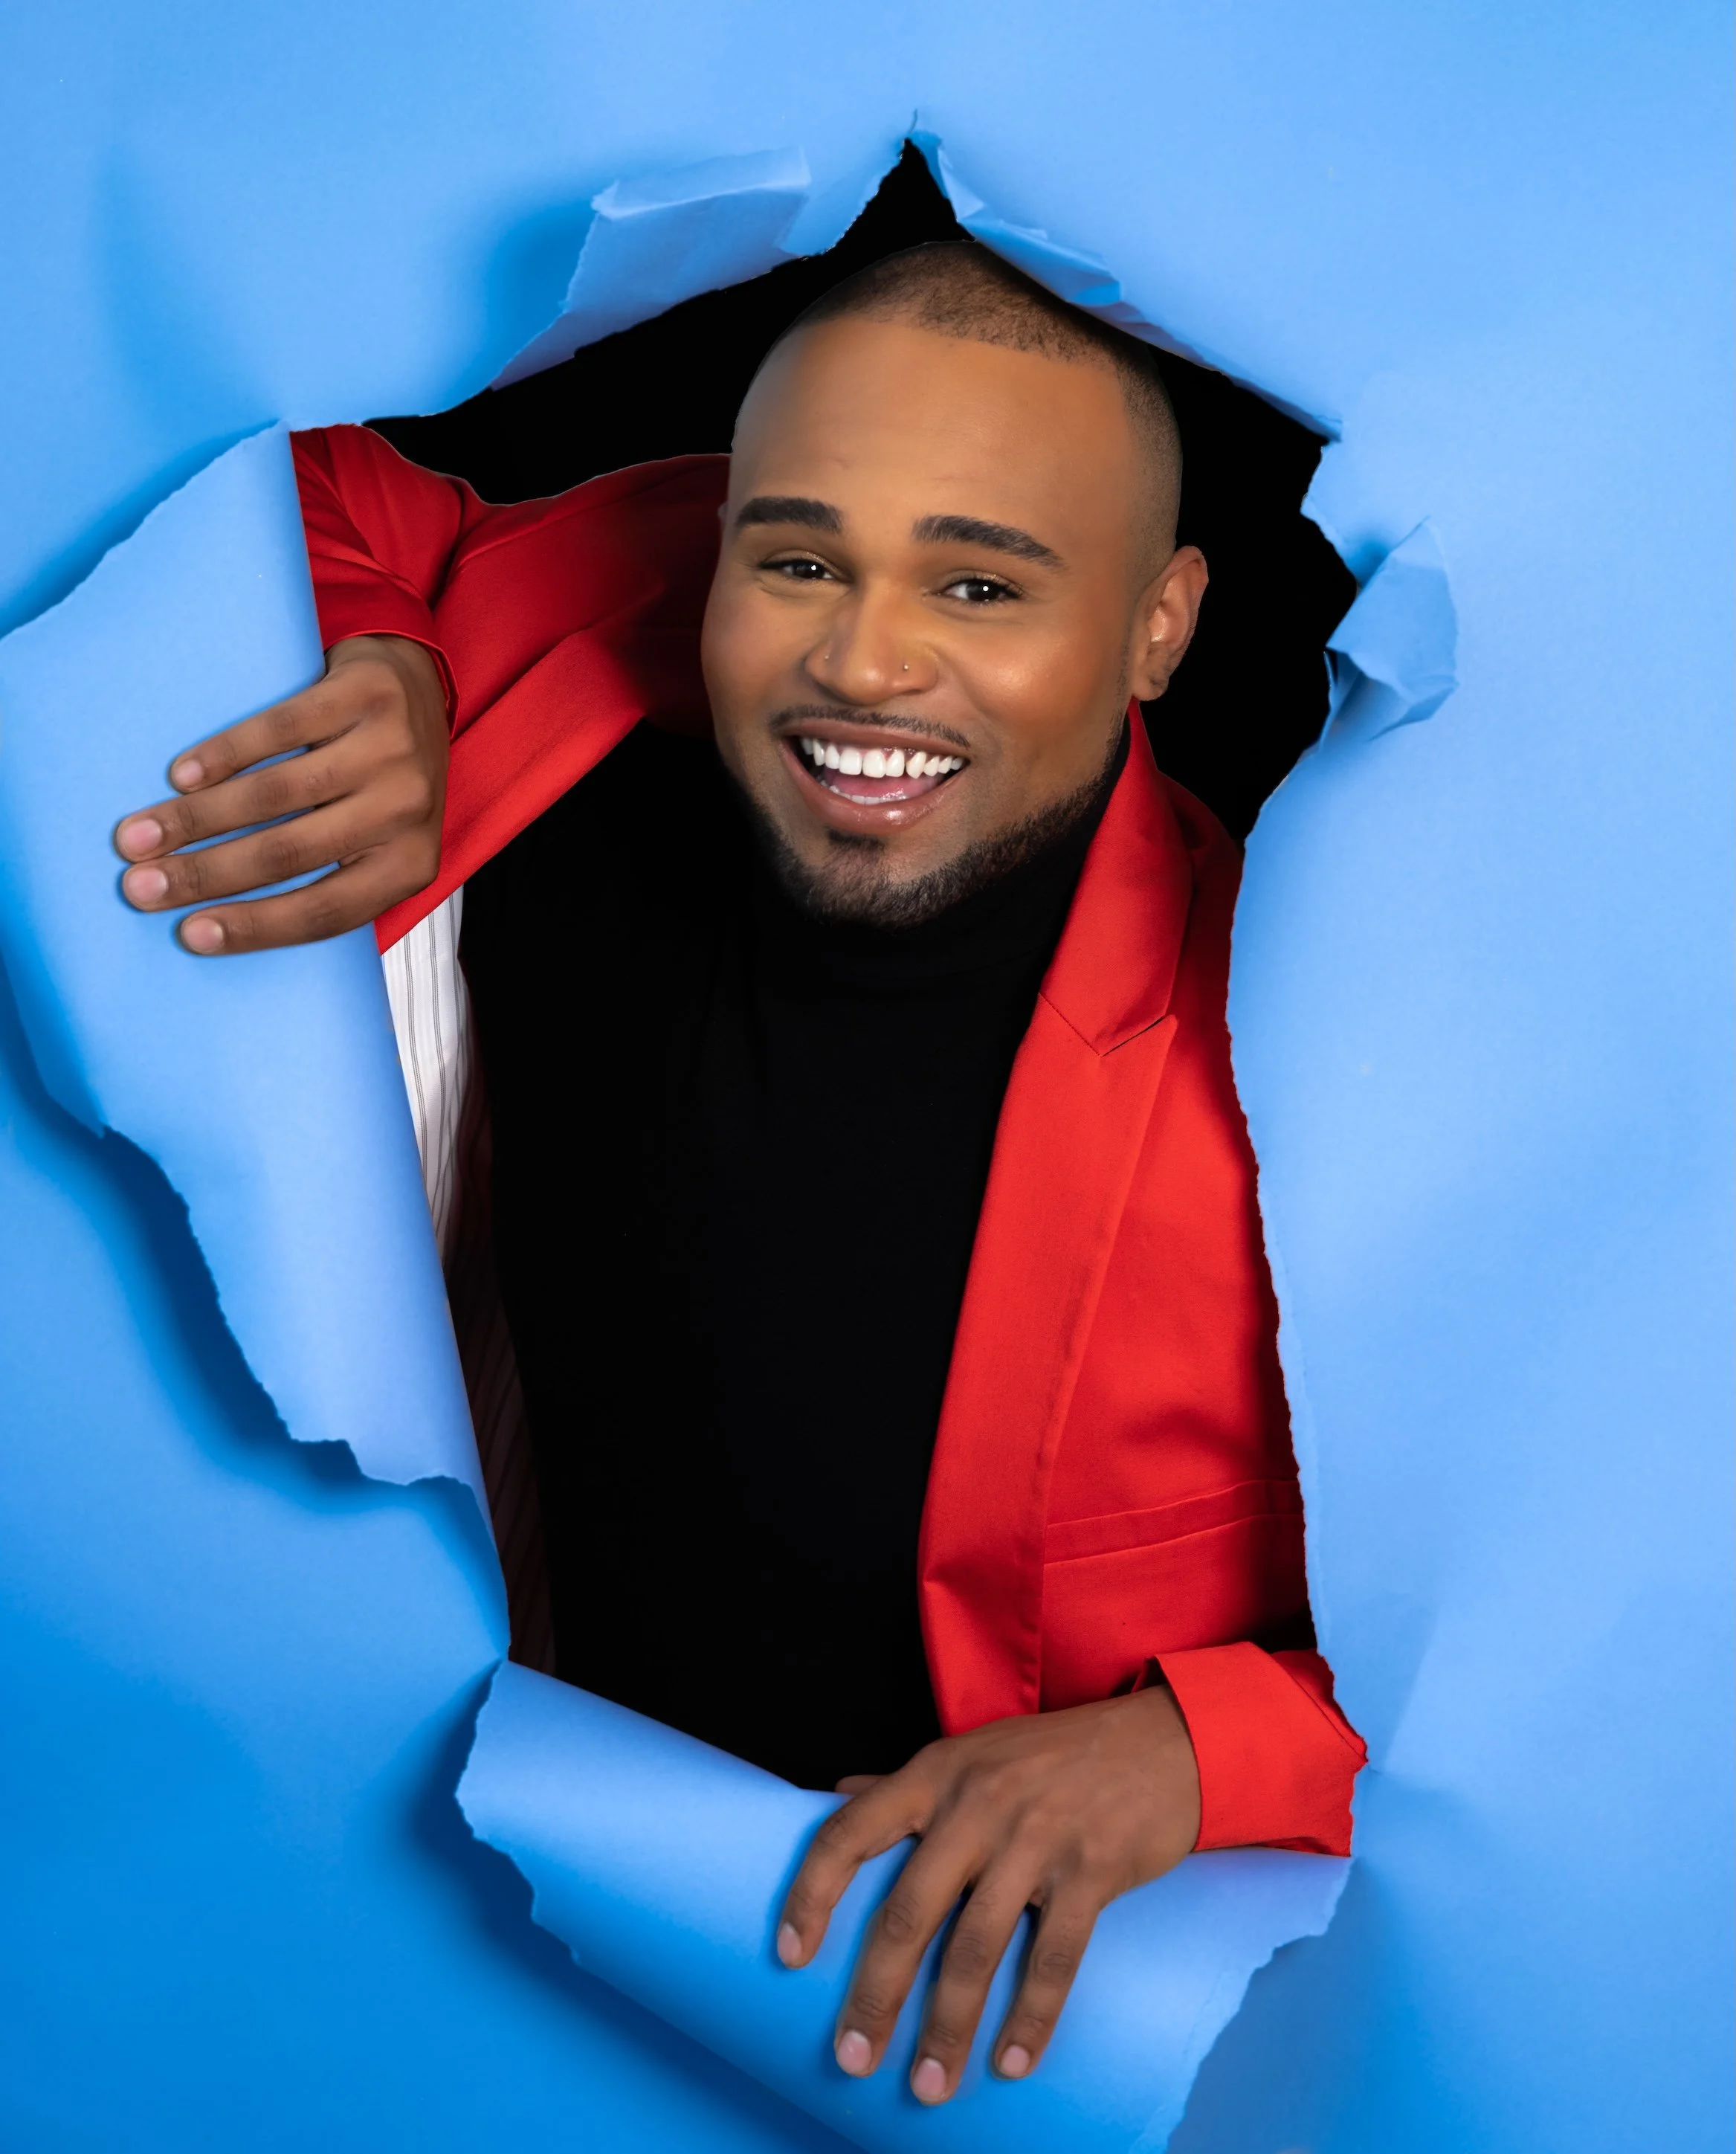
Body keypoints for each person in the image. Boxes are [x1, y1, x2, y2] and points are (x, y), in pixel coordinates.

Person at [112, 243, 1364, 2106]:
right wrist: (385, 658)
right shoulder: (596, 688)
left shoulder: (1311, 1079)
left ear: (1161, 624)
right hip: (465, 1935)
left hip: (951, 2060)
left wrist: (1197, 1752)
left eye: (979, 581)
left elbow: (1592, 1621)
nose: (863, 657)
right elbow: (265, 486)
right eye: (798, 560)